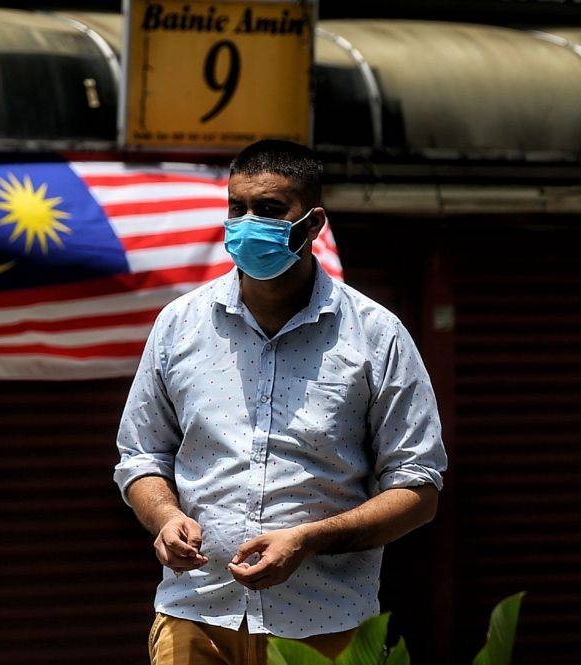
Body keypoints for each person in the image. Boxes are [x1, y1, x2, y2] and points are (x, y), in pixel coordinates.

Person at [114, 139, 448, 664]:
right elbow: (141, 457)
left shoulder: (375, 335)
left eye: (269, 210)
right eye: (237, 208)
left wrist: (309, 540)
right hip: (194, 617)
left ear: (312, 225)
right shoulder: (179, 325)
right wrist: (164, 518)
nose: (248, 223)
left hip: (325, 624)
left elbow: (418, 488)